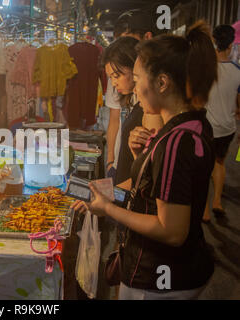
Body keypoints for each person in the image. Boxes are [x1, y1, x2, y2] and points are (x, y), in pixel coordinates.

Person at [72, 21, 217, 299]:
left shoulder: (176, 141)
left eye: (137, 79)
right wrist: (142, 159)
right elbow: (159, 188)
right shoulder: (193, 126)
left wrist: (108, 208)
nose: (134, 90)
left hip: (159, 275)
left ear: (162, 83)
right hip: (181, 269)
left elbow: (171, 230)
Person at [105, 9, 163, 185]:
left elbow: (150, 173)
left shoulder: (153, 106)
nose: (114, 83)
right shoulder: (134, 97)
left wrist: (108, 197)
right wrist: (111, 161)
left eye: (117, 75)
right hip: (125, 175)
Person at [203, 25, 240, 222]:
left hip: (207, 127)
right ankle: (217, 201)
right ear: (231, 44)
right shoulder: (238, 72)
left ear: (214, 42)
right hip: (227, 128)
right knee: (219, 163)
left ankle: (204, 211)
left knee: (203, 168)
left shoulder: (206, 69)